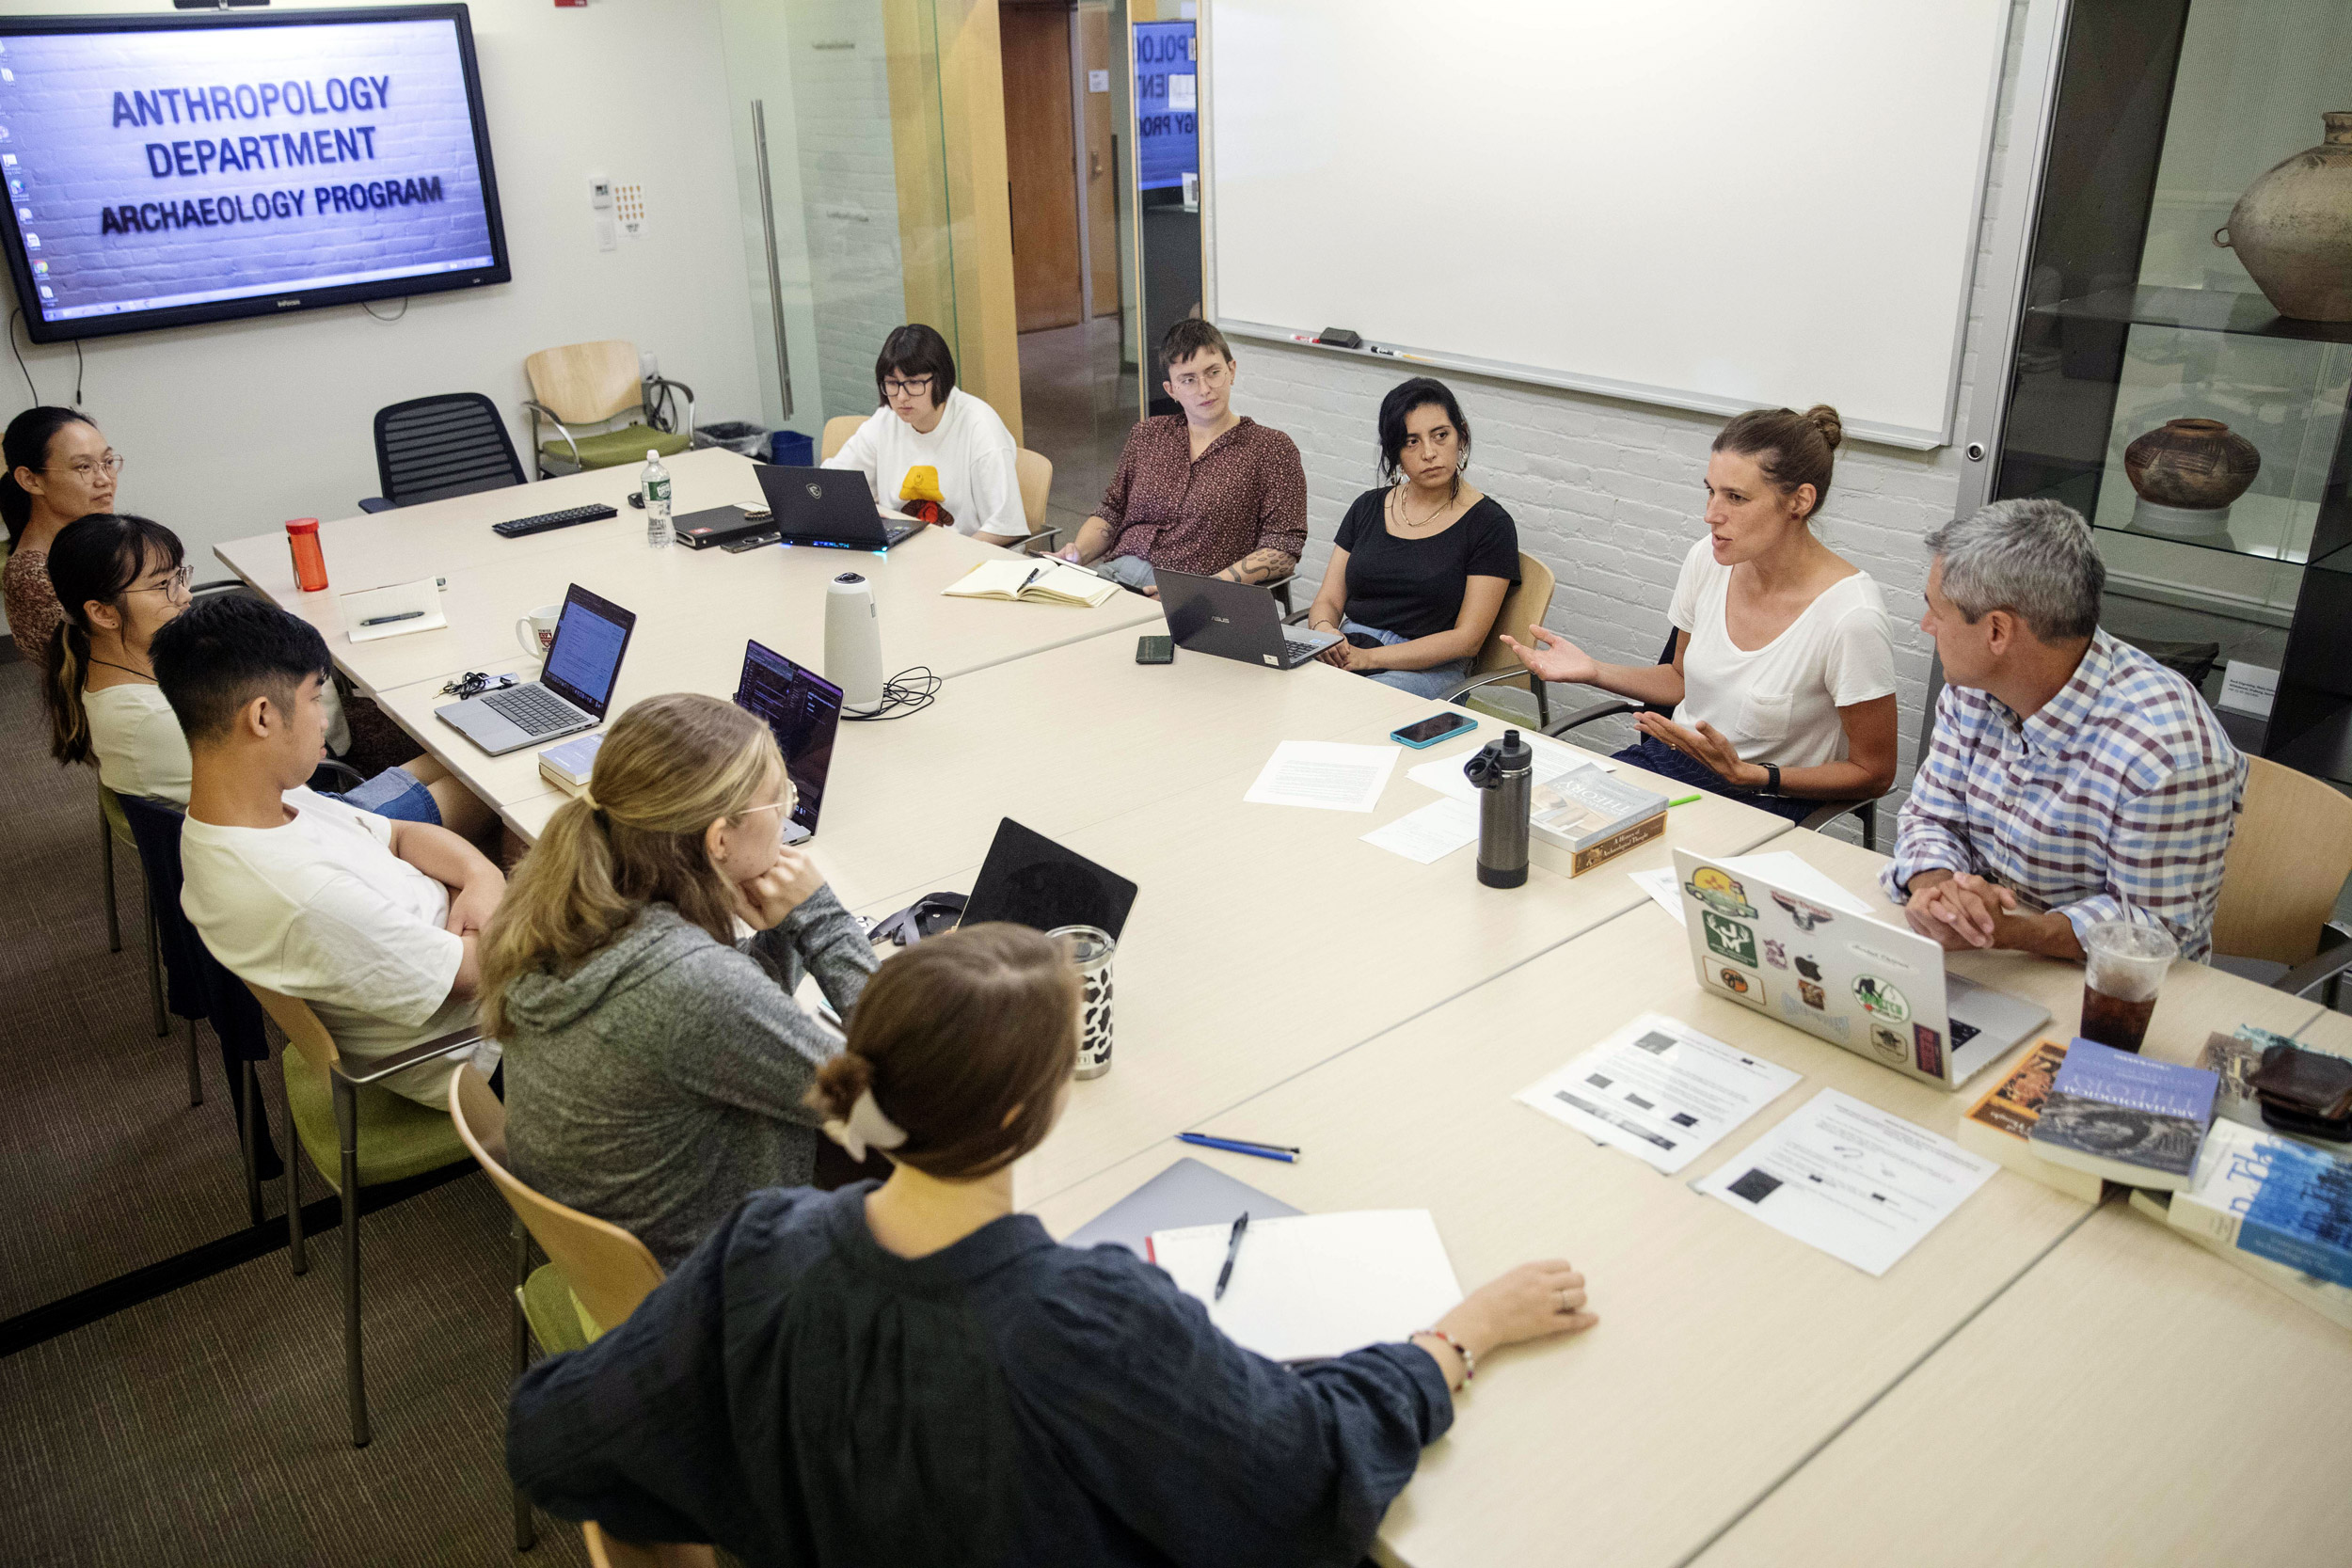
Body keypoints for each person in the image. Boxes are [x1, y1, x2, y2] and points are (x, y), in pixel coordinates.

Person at [506, 924, 1597, 1564]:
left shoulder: (765, 1243)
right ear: (1029, 1118)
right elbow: (1304, 1480)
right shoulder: (1084, 1319)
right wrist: (1456, 1337)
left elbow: (550, 1435)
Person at [480, 693, 878, 1269]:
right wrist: (821, 919)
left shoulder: (569, 903)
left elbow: (723, 1022)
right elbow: (890, 1107)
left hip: (623, 1266)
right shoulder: (692, 985)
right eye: (781, 803)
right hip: (717, 1295)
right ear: (719, 840)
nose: (789, 819)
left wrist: (784, 923)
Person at [152, 594, 506, 1104]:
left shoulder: (262, 802)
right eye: (315, 697)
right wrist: (489, 892)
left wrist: (481, 878)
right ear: (262, 717)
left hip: (478, 956)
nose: (324, 719)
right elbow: (471, 976)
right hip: (487, 1050)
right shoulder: (299, 893)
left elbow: (401, 835)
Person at [1884, 498, 2245, 963]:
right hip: (1988, 955)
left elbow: (2152, 928)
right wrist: (1943, 897)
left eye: (1937, 611)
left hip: (2114, 987)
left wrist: (2009, 930)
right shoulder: (1974, 686)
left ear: (1997, 631)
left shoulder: (2165, 752)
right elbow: (1932, 818)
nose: (1926, 625)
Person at [1503, 405, 1896, 823]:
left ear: (1799, 501)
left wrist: (1756, 776)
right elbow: (1679, 680)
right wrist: (1593, 670)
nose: (1711, 514)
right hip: (1669, 765)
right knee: (1529, 823)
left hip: (1765, 800)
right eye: (1711, 491)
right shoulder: (1708, 560)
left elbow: (1873, 774)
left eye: (1736, 498)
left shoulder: (1851, 617)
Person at [42, 513, 491, 836]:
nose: (184, 597)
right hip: (318, 832)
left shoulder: (120, 676)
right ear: (101, 613)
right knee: (488, 782)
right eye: (163, 585)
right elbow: (297, 783)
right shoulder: (150, 721)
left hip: (297, 816)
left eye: (181, 576)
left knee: (463, 747)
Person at [1302, 377, 1519, 698]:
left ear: (1461, 437)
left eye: (1440, 435)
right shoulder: (1368, 507)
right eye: (1412, 442)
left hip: (1430, 668)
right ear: (1396, 453)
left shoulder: (1490, 524)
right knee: (1278, 690)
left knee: (1348, 709)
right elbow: (1330, 600)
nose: (1430, 453)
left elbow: (1467, 639)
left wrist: (1369, 658)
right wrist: (1324, 633)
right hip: (1349, 646)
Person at [1057, 319, 1307, 597]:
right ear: (1171, 390)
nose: (1204, 389)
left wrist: (1201, 591)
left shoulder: (1271, 449)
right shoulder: (1148, 435)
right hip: (1118, 577)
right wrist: (1076, 553)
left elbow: (1283, 547)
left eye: (1213, 372)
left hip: (1199, 591)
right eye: (1188, 380)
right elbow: (1112, 509)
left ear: (1232, 370)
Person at [824, 324, 1028, 546]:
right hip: (902, 554)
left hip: (964, 559)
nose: (901, 397)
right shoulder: (886, 419)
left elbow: (1006, 527)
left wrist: (956, 556)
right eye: (892, 383)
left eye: (913, 383)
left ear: (940, 379)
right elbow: (833, 485)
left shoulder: (980, 427)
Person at [4, 406, 119, 665]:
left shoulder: (90, 538)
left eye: (108, 462)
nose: (105, 479)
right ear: (31, 480)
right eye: (83, 467)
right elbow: (111, 660)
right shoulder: (33, 578)